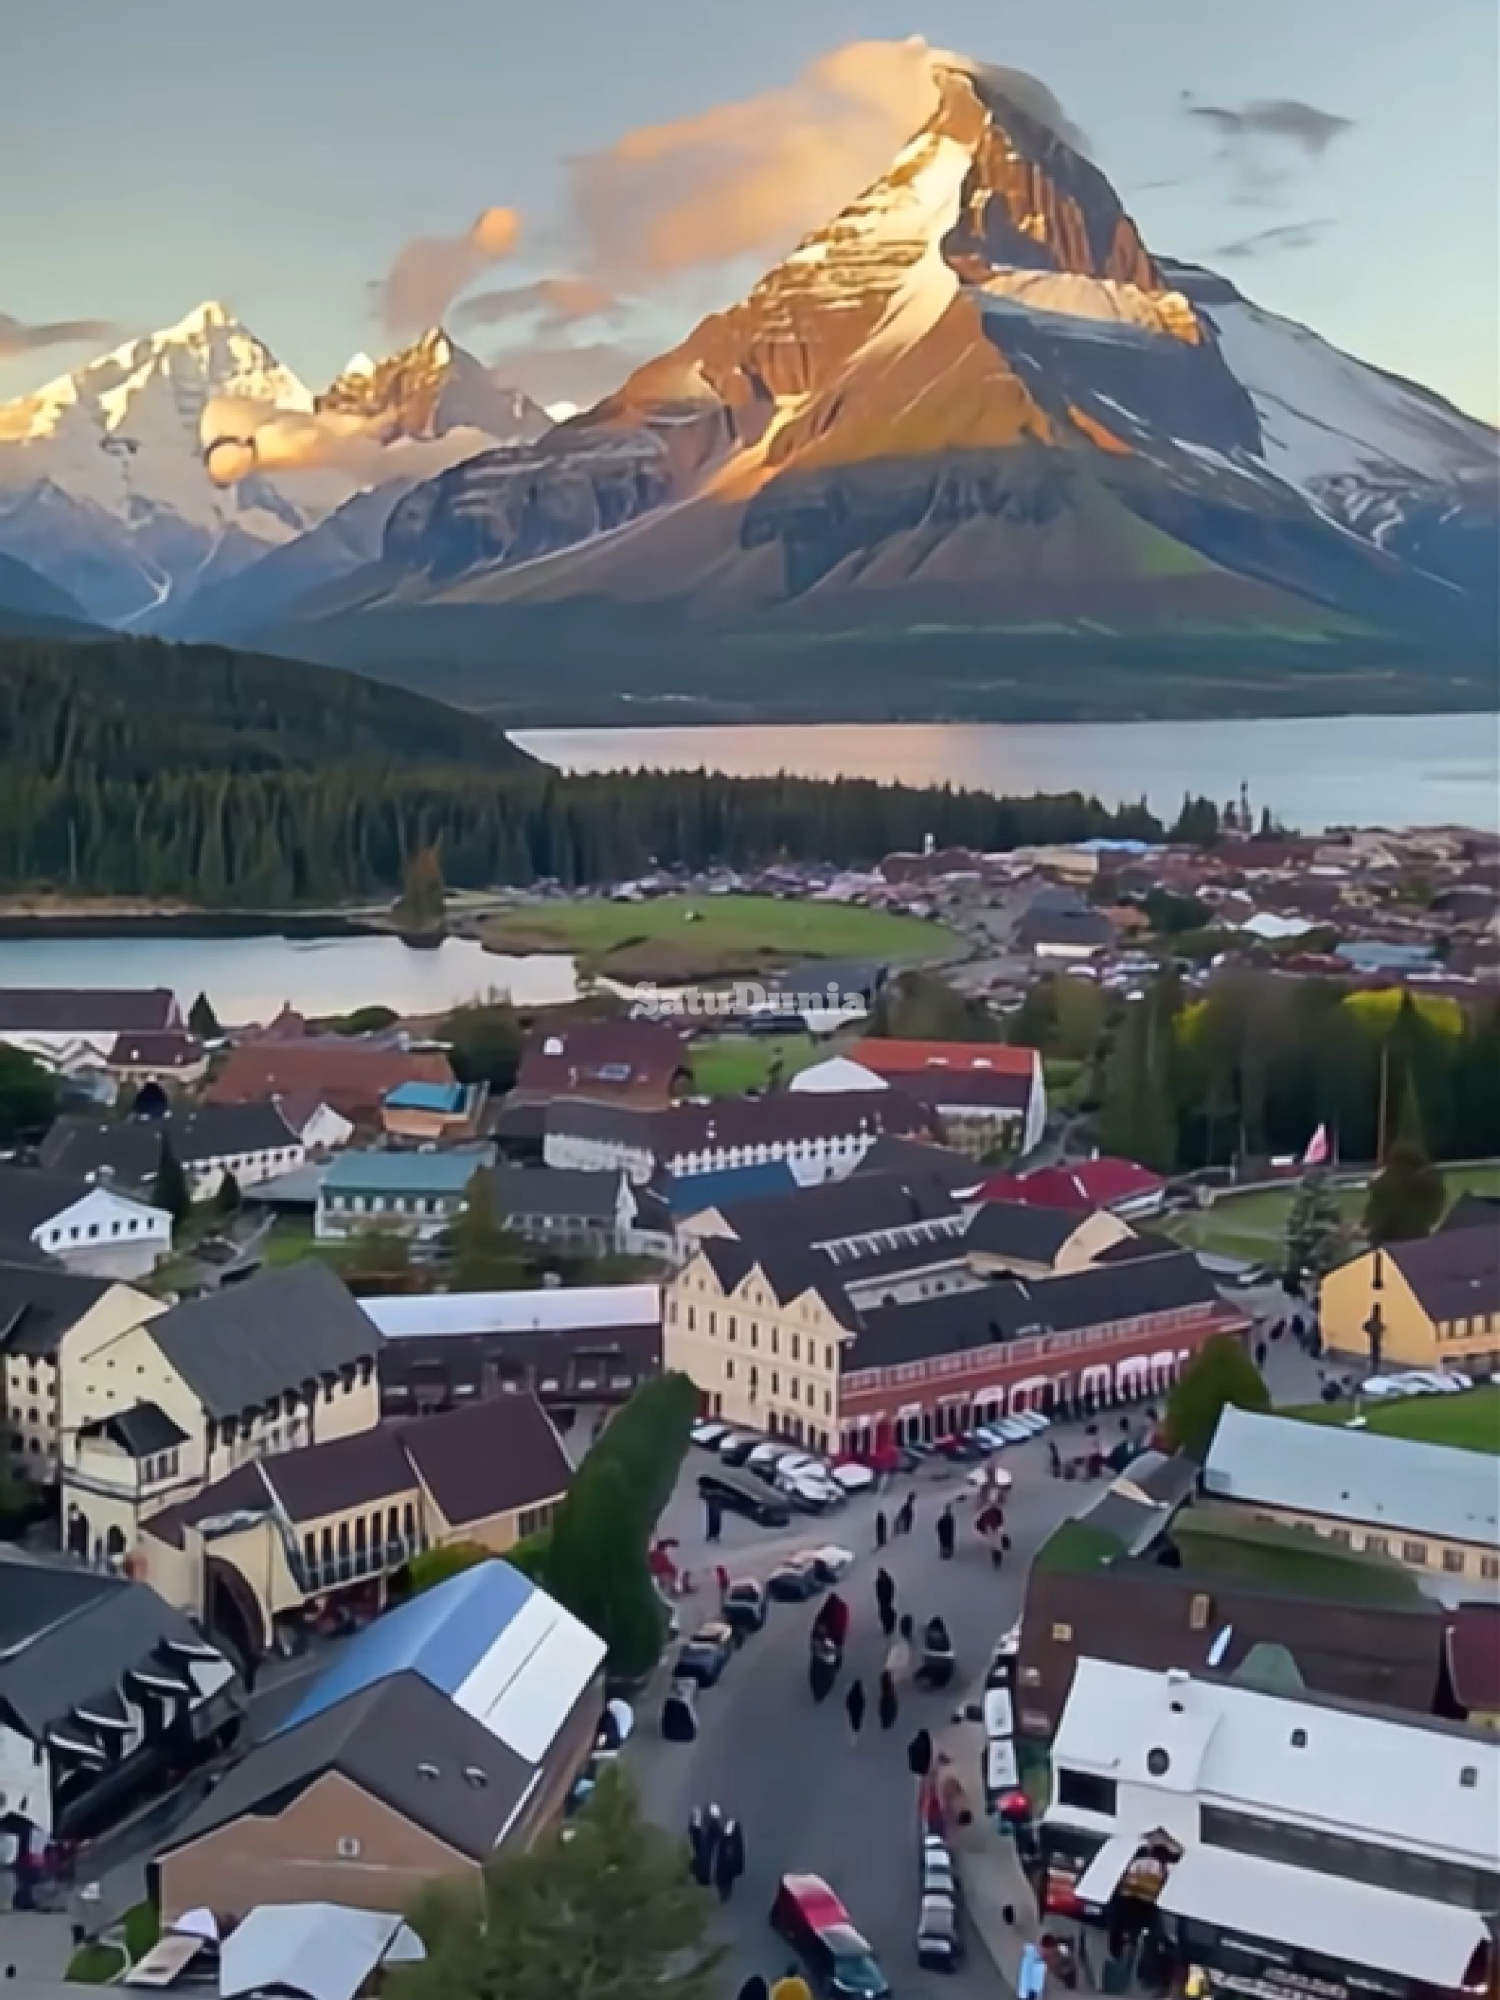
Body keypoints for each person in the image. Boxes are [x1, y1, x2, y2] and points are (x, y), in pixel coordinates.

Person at [715, 1817, 745, 1902]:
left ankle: (724, 1892)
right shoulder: (734, 1838)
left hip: (726, 1866)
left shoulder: (731, 1838)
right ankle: (725, 1891)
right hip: (727, 1865)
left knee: (725, 1876)